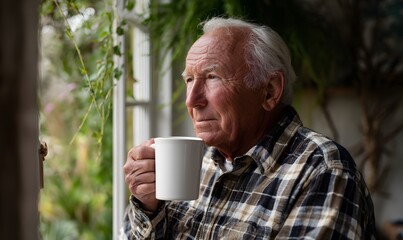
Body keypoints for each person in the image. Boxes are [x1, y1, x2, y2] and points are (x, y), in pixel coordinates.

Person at [121, 17, 376, 239]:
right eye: (189, 80)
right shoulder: (198, 163)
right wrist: (148, 206)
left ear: (270, 91)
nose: (191, 100)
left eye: (212, 77)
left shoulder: (324, 171)